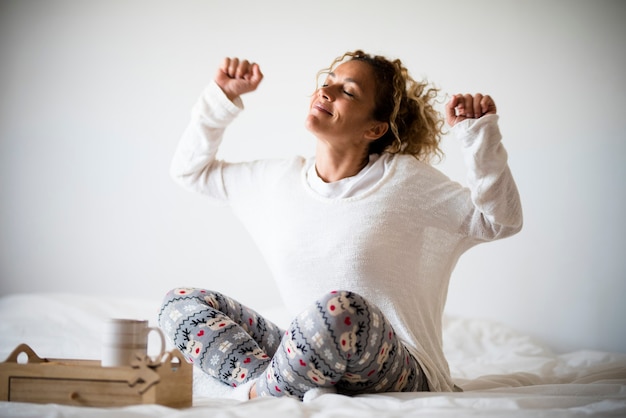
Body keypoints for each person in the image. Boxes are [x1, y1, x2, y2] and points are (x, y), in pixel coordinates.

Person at [158, 50, 523, 401]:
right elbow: (190, 171)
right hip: (312, 353)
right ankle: (274, 383)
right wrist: (222, 97)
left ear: (375, 128)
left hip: (401, 366)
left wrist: (479, 136)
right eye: (328, 81)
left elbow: (499, 221)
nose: (326, 91)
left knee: (341, 310)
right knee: (180, 304)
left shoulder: (404, 181)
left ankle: (262, 394)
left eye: (347, 91)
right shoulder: (275, 181)